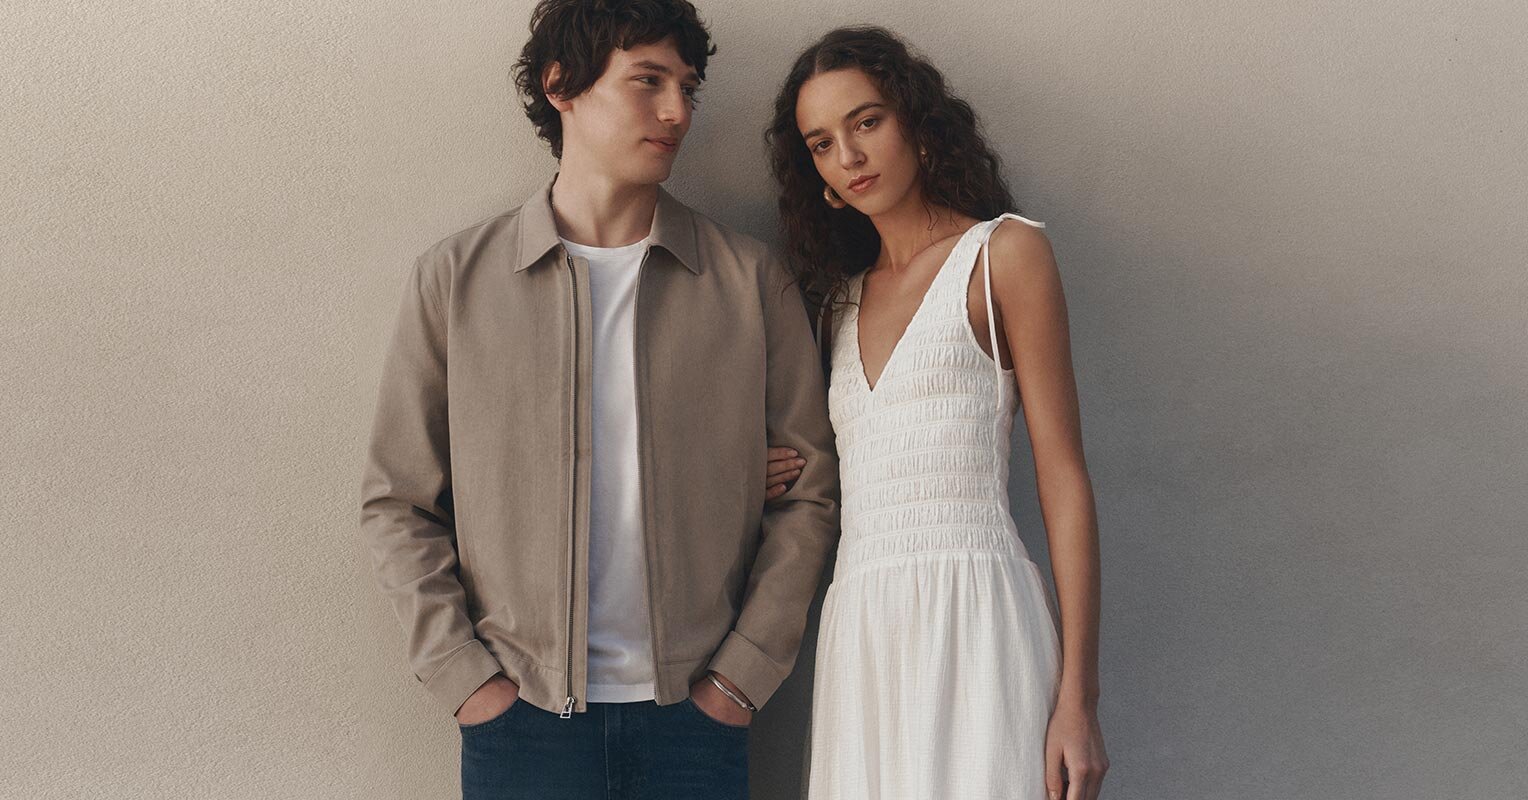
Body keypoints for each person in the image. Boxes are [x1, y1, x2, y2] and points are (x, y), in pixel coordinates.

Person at [358, 1, 839, 797]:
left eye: (688, 85)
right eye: (647, 81)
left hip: (697, 717)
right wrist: (466, 681)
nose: (677, 110)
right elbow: (397, 501)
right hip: (523, 722)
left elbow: (812, 492)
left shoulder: (750, 280)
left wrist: (740, 678)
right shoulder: (457, 279)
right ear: (561, 85)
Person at [761, 25, 1109, 800]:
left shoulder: (1003, 256)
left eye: (866, 121)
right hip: (863, 633)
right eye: (821, 143)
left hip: (978, 621)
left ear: (917, 120)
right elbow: (820, 477)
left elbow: (1063, 479)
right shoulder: (835, 308)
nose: (848, 157)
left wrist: (1078, 700)